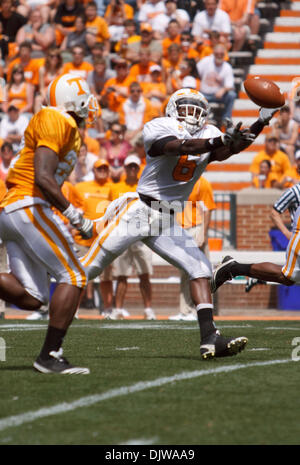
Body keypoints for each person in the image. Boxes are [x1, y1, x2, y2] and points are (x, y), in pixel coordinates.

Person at [80, 87, 280, 359]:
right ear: (173, 108)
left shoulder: (208, 133)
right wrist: (220, 139)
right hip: (139, 211)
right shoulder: (159, 126)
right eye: (186, 107)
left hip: (166, 218)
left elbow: (230, 149)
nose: (192, 113)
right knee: (85, 271)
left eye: (197, 108)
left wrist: (261, 121)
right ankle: (45, 319)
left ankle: (210, 338)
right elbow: (179, 147)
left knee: (200, 268)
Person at [0, 73, 99, 374]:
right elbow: (43, 177)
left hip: (15, 209)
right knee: (74, 275)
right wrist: (75, 215)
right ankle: (49, 356)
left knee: (32, 298)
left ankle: (49, 355)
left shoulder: (63, 124)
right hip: (27, 204)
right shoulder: (58, 118)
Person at [211, 181, 300, 294]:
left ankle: (235, 268)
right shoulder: (294, 190)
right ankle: (234, 268)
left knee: (288, 279)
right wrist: (287, 233)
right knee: (287, 277)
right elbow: (275, 212)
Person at [108, 154, 155, 320]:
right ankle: (118, 309)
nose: (133, 169)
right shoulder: (115, 188)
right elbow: (110, 211)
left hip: (142, 236)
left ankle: (148, 309)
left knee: (144, 275)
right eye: (130, 167)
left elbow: (153, 209)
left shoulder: (146, 187)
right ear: (125, 168)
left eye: (135, 166)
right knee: (121, 275)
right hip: (122, 234)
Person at [170, 176, 216, 320]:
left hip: (195, 228)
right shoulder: (177, 181)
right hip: (180, 229)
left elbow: (207, 209)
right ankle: (185, 310)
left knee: (201, 271)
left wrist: (202, 232)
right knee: (184, 271)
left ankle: (201, 310)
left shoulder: (202, 183)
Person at [73, 158, 113, 311]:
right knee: (79, 277)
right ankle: (73, 310)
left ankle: (108, 309)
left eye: (105, 169)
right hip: (82, 240)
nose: (102, 171)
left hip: (104, 241)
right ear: (94, 171)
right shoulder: (81, 187)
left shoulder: (112, 188)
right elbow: (73, 205)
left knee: (106, 277)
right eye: (99, 169)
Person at [196, 43, 236, 125]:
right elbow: (195, 72)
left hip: (218, 96)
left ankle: (226, 119)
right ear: (213, 54)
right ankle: (199, 119)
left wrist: (223, 89)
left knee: (232, 95)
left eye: (221, 54)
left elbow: (230, 85)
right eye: (217, 54)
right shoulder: (206, 61)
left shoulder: (227, 67)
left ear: (224, 54)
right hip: (204, 94)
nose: (219, 56)